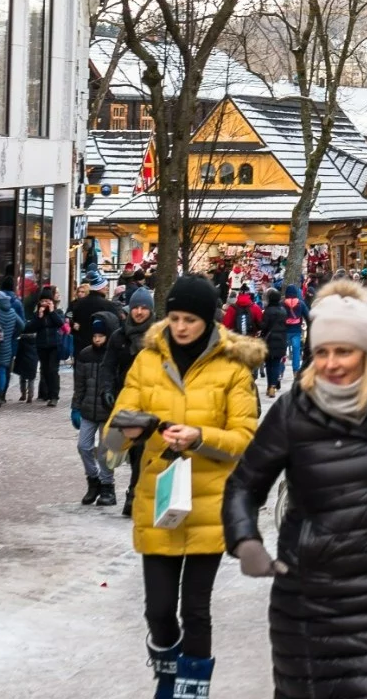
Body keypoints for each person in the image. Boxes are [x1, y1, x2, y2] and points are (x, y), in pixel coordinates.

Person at [223, 280, 367, 699]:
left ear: (366, 350)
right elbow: (245, 484)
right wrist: (244, 538)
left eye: (343, 351)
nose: (331, 363)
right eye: (322, 351)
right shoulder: (294, 409)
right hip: (306, 599)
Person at [108, 274, 264, 696]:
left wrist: (201, 437)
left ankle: (188, 690)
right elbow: (114, 431)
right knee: (158, 610)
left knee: (196, 610)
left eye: (189, 319)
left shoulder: (232, 367)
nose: (180, 326)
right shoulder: (147, 361)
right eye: (174, 317)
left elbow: (247, 440)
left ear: (208, 321)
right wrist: (129, 431)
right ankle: (167, 671)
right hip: (157, 499)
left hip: (208, 506)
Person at [105, 287, 157, 516]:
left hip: (151, 401)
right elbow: (108, 366)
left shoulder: (159, 337)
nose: (139, 312)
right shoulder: (119, 336)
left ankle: (133, 495)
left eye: (144, 308)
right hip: (124, 399)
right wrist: (106, 389)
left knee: (142, 450)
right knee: (126, 450)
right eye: (135, 307)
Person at [72, 314, 122, 507]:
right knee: (83, 446)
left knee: (104, 451)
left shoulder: (113, 357)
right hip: (87, 409)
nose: (97, 340)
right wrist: (76, 406)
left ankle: (107, 485)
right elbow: (80, 384)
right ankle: (93, 480)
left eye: (101, 336)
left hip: (107, 410)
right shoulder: (85, 355)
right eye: (95, 337)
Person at [260, 289, 290, 398]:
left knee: (269, 364)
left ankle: (270, 386)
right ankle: (273, 385)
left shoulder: (268, 311)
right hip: (281, 339)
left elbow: (264, 326)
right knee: (276, 364)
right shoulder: (283, 310)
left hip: (269, 340)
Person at [282, 287, 307, 375]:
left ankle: (281, 370)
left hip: (284, 331)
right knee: (296, 351)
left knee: (282, 351)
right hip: (296, 330)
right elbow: (308, 316)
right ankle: (295, 370)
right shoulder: (301, 303)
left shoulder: (282, 303)